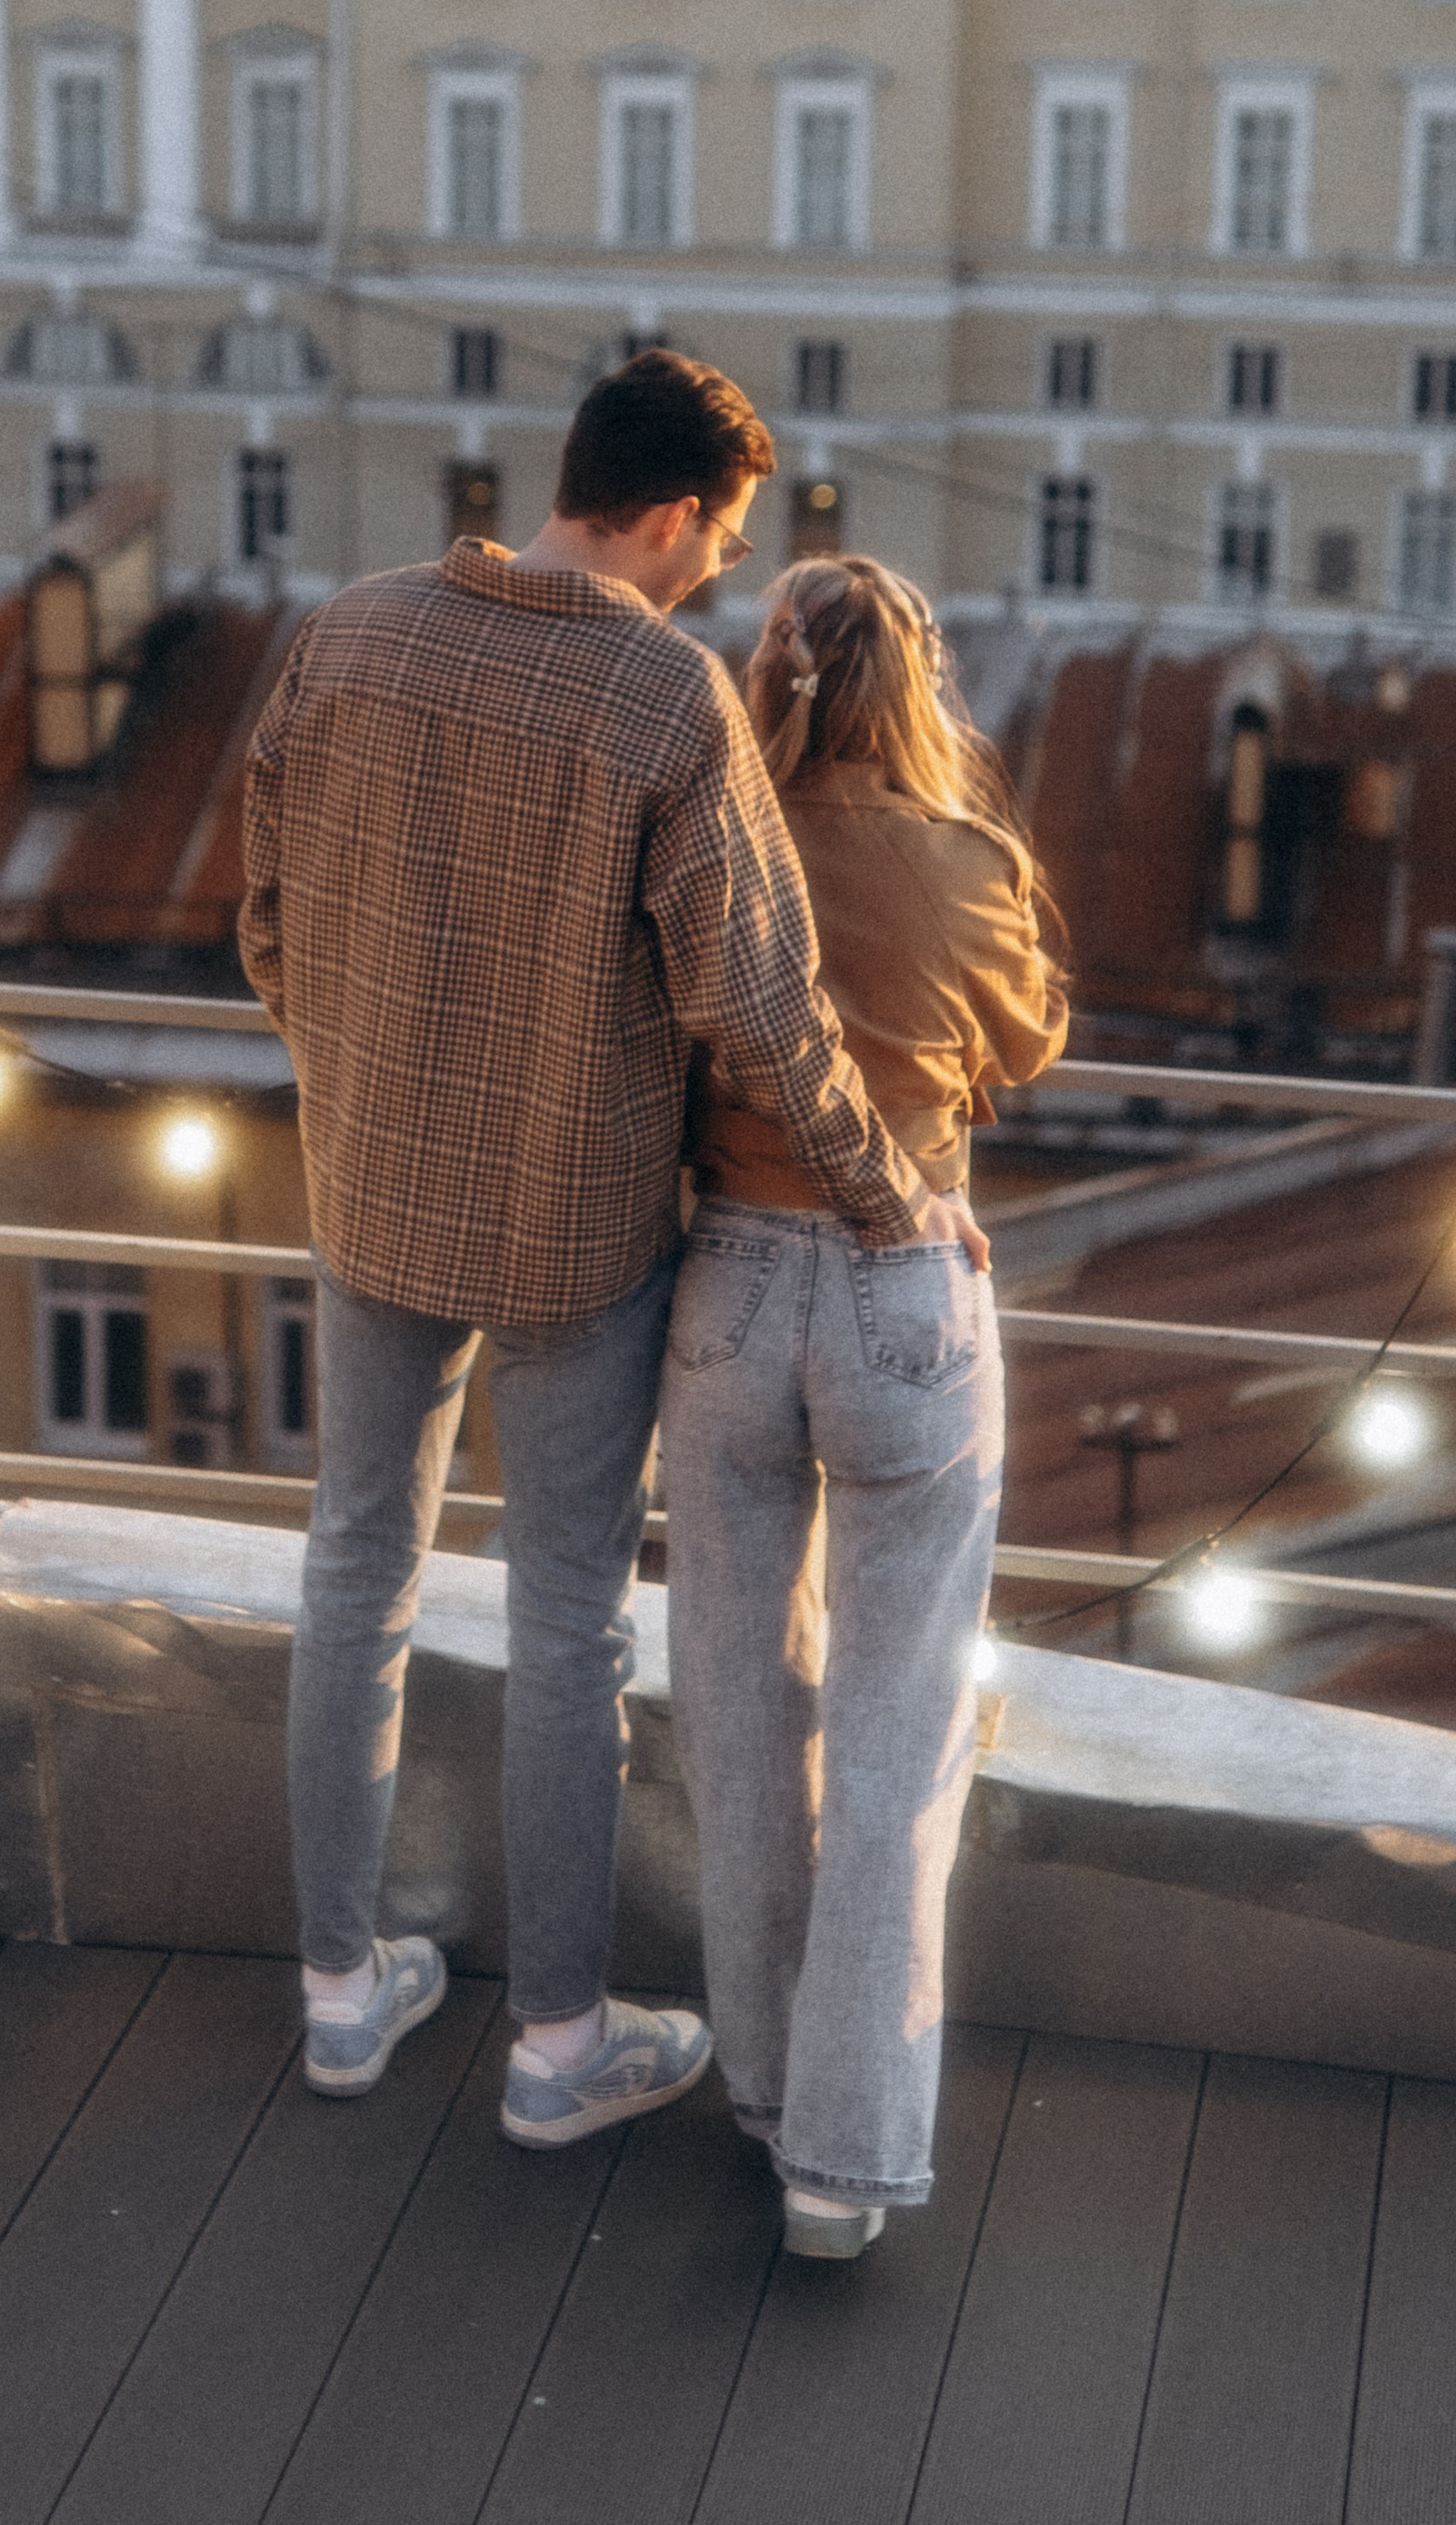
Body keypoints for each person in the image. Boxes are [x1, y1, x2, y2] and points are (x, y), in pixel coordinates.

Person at [240, 355, 982, 2148]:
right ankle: (559, 2050)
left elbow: (266, 919)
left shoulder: (349, 632)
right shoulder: (664, 699)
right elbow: (759, 1007)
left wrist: (363, 1090)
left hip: (370, 1203)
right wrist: (887, 1203)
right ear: (663, 511)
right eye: (719, 534)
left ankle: (341, 1999)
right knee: (565, 1623)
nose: (720, 570)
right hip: (578, 1234)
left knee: (356, 1572)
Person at [662, 553, 1068, 2257]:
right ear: (919, 691)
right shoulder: (967, 859)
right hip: (911, 1291)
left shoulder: (707, 846)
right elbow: (1028, 1039)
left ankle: (760, 2094)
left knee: (741, 1719)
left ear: (770, 682)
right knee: (897, 1740)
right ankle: (842, 2165)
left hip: (733, 1289)